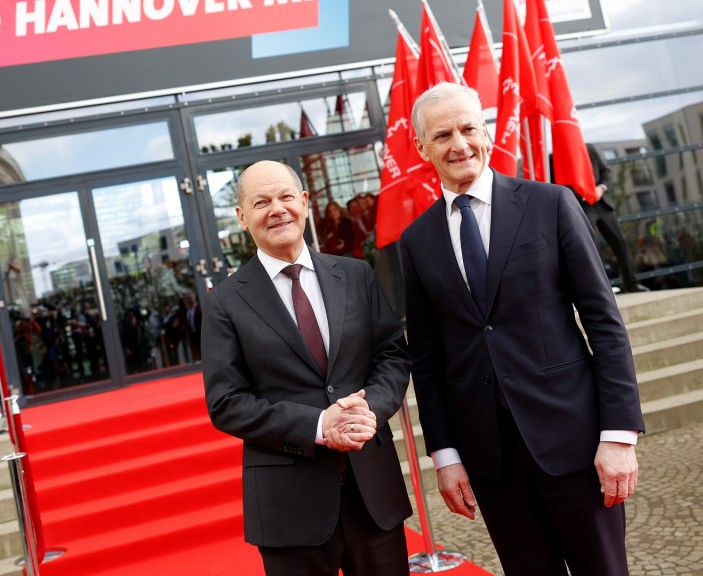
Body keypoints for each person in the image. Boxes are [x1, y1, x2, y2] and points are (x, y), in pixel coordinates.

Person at [399, 83, 644, 575]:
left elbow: (603, 321)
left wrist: (618, 435)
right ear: (422, 147)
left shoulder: (550, 204)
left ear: (485, 131)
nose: (459, 144)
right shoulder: (415, 240)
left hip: (574, 443)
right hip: (491, 460)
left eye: (468, 128)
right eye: (442, 134)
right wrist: (445, 456)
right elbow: (427, 359)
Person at [202, 160, 412, 575]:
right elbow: (226, 402)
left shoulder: (355, 275)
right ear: (243, 218)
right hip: (289, 506)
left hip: (373, 492)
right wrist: (319, 425)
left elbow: (391, 353)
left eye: (285, 197)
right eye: (261, 202)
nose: (276, 209)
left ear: (304, 202)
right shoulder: (224, 301)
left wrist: (370, 411)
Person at [555, 142, 645, 293]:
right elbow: (559, 184)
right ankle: (604, 290)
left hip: (602, 204)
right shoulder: (556, 156)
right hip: (582, 207)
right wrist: (584, 194)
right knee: (593, 248)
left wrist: (601, 189)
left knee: (620, 242)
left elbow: (605, 171)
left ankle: (631, 283)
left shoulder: (588, 148)